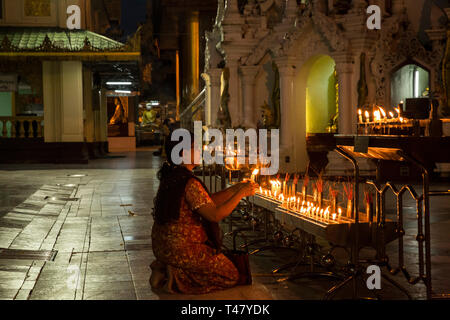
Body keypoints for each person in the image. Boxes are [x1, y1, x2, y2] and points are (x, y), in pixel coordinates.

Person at [150, 134, 258, 294]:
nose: (200, 150)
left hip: (163, 246)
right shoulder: (189, 182)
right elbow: (214, 215)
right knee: (231, 275)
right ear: (183, 153)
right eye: (195, 147)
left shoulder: (173, 175)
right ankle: (176, 276)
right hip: (182, 249)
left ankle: (168, 266)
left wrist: (235, 189)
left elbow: (205, 202)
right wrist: (240, 194)